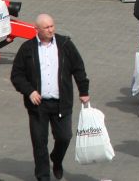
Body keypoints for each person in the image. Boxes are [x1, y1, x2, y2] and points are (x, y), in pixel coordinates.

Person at [10, 14, 91, 181]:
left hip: (62, 103)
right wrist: (30, 91)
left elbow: (78, 67)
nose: (51, 30)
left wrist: (83, 91)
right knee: (39, 143)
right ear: (37, 29)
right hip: (38, 106)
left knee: (64, 137)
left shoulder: (65, 44)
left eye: (52, 26)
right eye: (46, 28)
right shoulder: (27, 49)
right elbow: (17, 75)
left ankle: (57, 158)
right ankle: (43, 176)